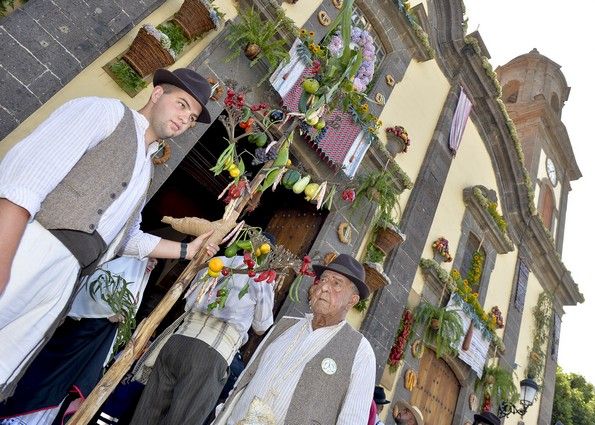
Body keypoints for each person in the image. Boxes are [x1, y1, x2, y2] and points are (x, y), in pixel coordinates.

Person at [0, 67, 216, 399]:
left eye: (192, 117)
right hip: (29, 246)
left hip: (67, 276)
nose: (185, 119)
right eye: (182, 104)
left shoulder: (145, 171)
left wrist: (188, 251)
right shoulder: (104, 113)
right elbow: (25, 179)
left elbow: (125, 238)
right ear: (157, 93)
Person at [213, 253, 376, 425]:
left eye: (336, 283)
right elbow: (247, 376)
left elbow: (352, 420)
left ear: (352, 300)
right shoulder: (284, 326)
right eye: (323, 280)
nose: (324, 287)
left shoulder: (360, 351)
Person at [0, 256, 156, 423]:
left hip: (73, 365)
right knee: (40, 388)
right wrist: (104, 312)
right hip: (64, 353)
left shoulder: (125, 292)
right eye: (151, 259)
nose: (154, 264)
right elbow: (84, 304)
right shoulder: (105, 276)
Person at [130, 246, 275, 425]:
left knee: (147, 413)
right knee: (183, 420)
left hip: (178, 341)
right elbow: (262, 326)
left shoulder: (216, 262)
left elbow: (188, 302)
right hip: (211, 353)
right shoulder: (262, 277)